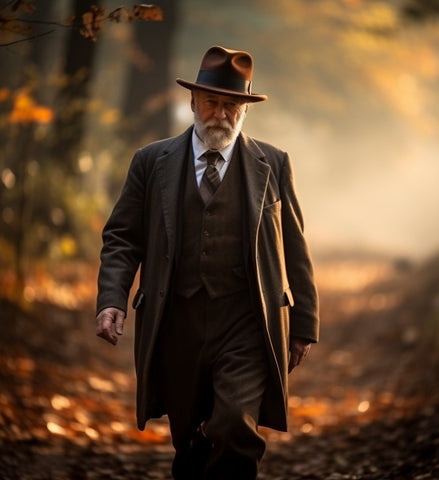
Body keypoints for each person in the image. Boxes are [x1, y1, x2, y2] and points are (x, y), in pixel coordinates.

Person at [96, 45, 320, 480]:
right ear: (193, 102)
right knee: (190, 442)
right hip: (174, 321)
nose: (220, 113)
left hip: (246, 321)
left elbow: (294, 246)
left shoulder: (273, 163)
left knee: (236, 428)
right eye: (212, 102)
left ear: (245, 110)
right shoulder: (150, 162)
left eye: (231, 105)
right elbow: (123, 237)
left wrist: (305, 323)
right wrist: (112, 299)